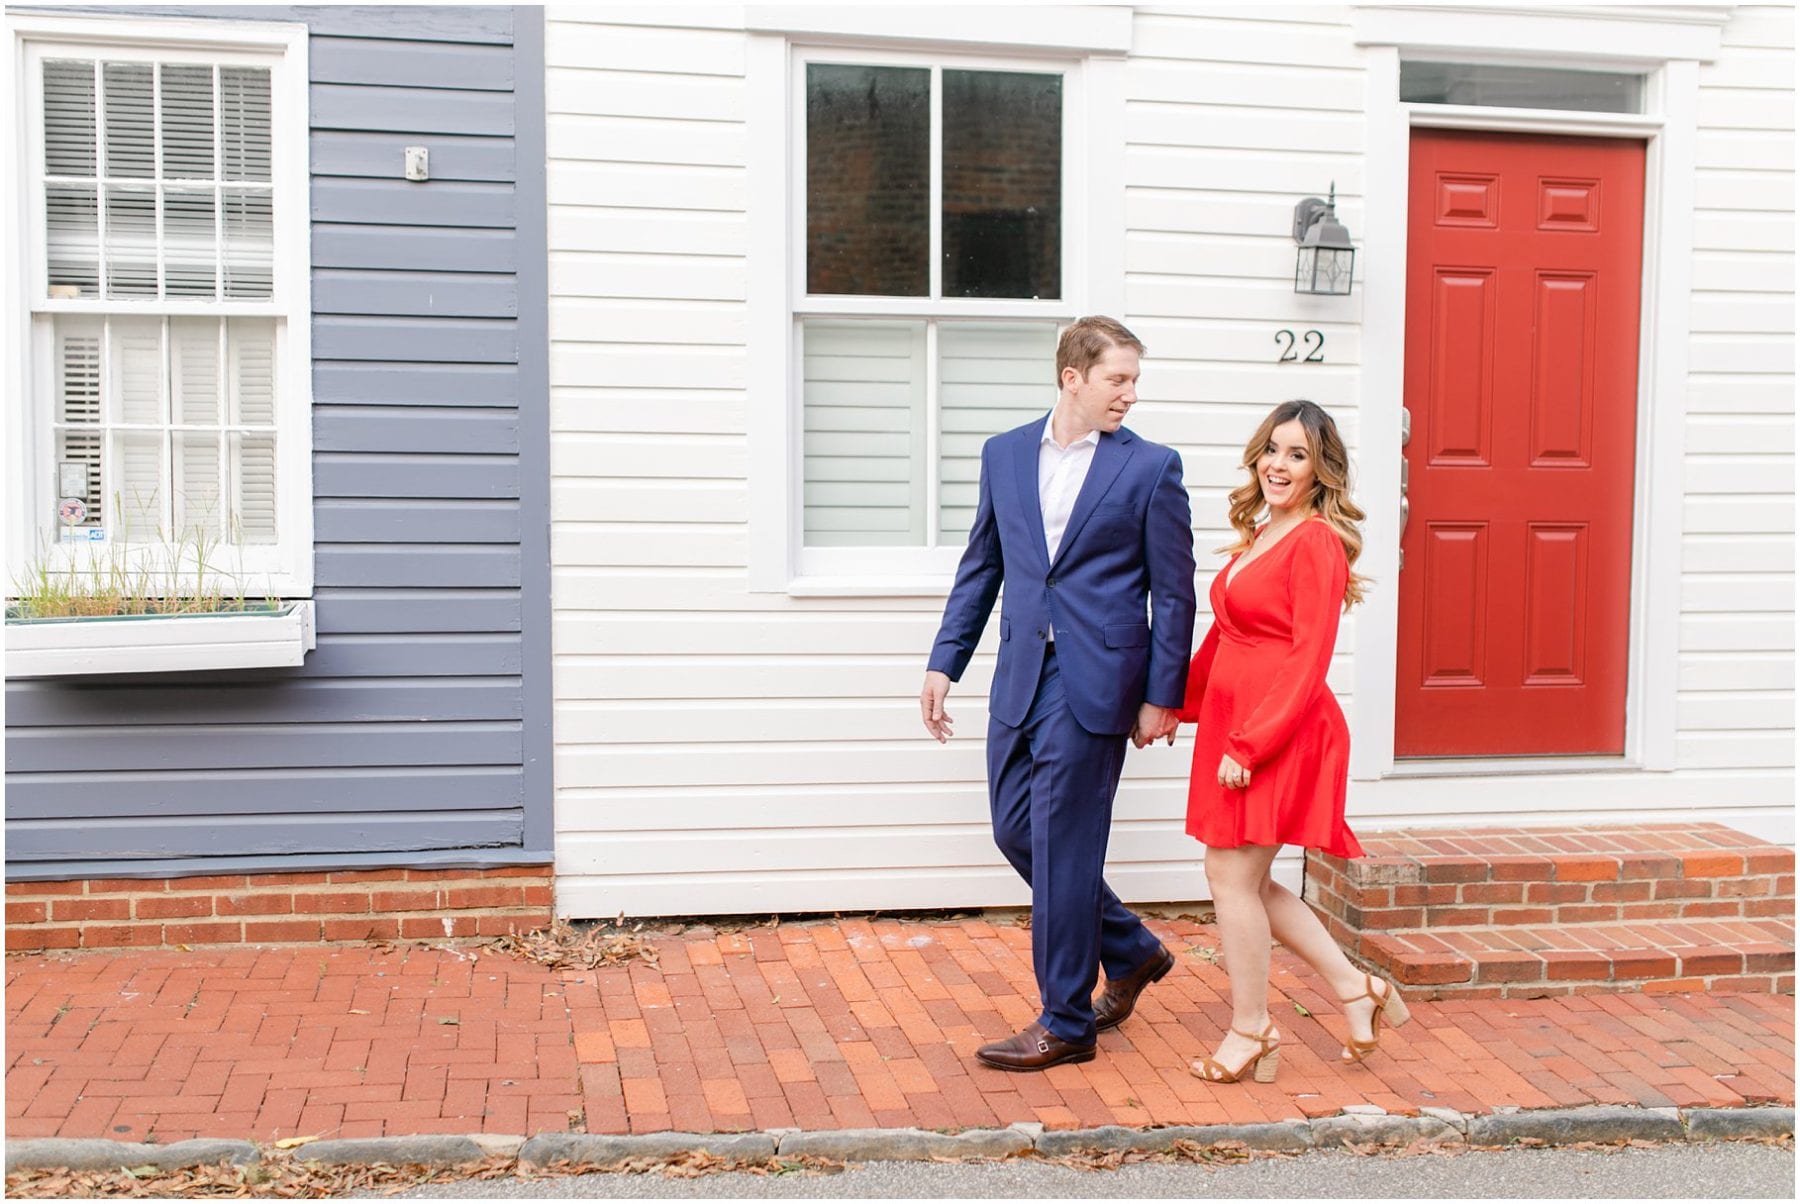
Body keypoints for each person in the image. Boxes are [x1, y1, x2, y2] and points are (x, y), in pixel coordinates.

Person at [921, 316, 1197, 1071]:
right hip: (1019, 674)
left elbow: (1174, 595)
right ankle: (1132, 949)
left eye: (1135, 381)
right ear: (1072, 377)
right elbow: (983, 566)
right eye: (1118, 379)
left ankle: (1066, 1020)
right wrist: (946, 661)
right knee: (1018, 831)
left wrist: (1161, 695)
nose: (1130, 395)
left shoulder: (1150, 469)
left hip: (1097, 684)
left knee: (1066, 845)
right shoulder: (1005, 455)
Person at [1176, 399, 1408, 1085]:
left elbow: (1309, 659)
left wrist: (1249, 746)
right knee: (1242, 878)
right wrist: (1174, 706)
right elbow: (1227, 633)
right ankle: (1354, 988)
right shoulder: (1264, 531)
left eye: (1297, 455)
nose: (1279, 465)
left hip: (1279, 730)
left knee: (1229, 877)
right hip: (1237, 723)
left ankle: (1252, 1029)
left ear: (1320, 471)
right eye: (1273, 450)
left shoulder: (1315, 543)